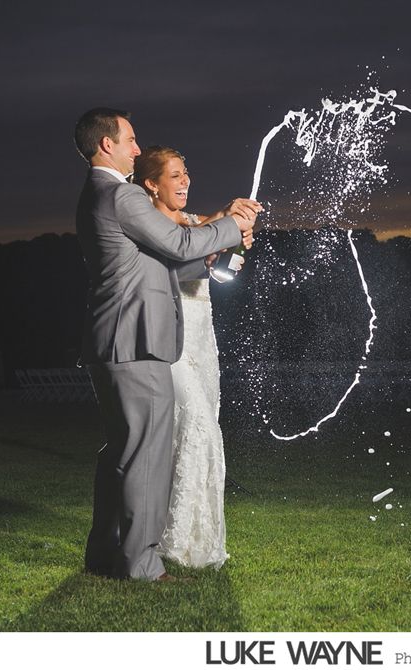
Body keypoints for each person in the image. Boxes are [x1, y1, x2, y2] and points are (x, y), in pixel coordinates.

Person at [73, 108, 255, 581]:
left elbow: (160, 264)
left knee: (121, 451)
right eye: (130, 140)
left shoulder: (99, 195)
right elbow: (175, 244)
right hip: (136, 342)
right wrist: (232, 225)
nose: (137, 148)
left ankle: (105, 552)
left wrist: (220, 242)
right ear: (105, 145)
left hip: (116, 341)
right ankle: (141, 563)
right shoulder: (122, 196)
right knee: (147, 456)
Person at [133, 146, 259, 569]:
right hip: (170, 342)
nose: (185, 181)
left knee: (192, 432)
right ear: (151, 184)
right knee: (198, 430)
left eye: (186, 173)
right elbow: (185, 253)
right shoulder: (150, 225)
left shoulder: (192, 221)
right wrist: (222, 233)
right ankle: (173, 541)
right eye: (174, 176)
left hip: (202, 340)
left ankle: (193, 539)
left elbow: (208, 239)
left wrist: (232, 235)